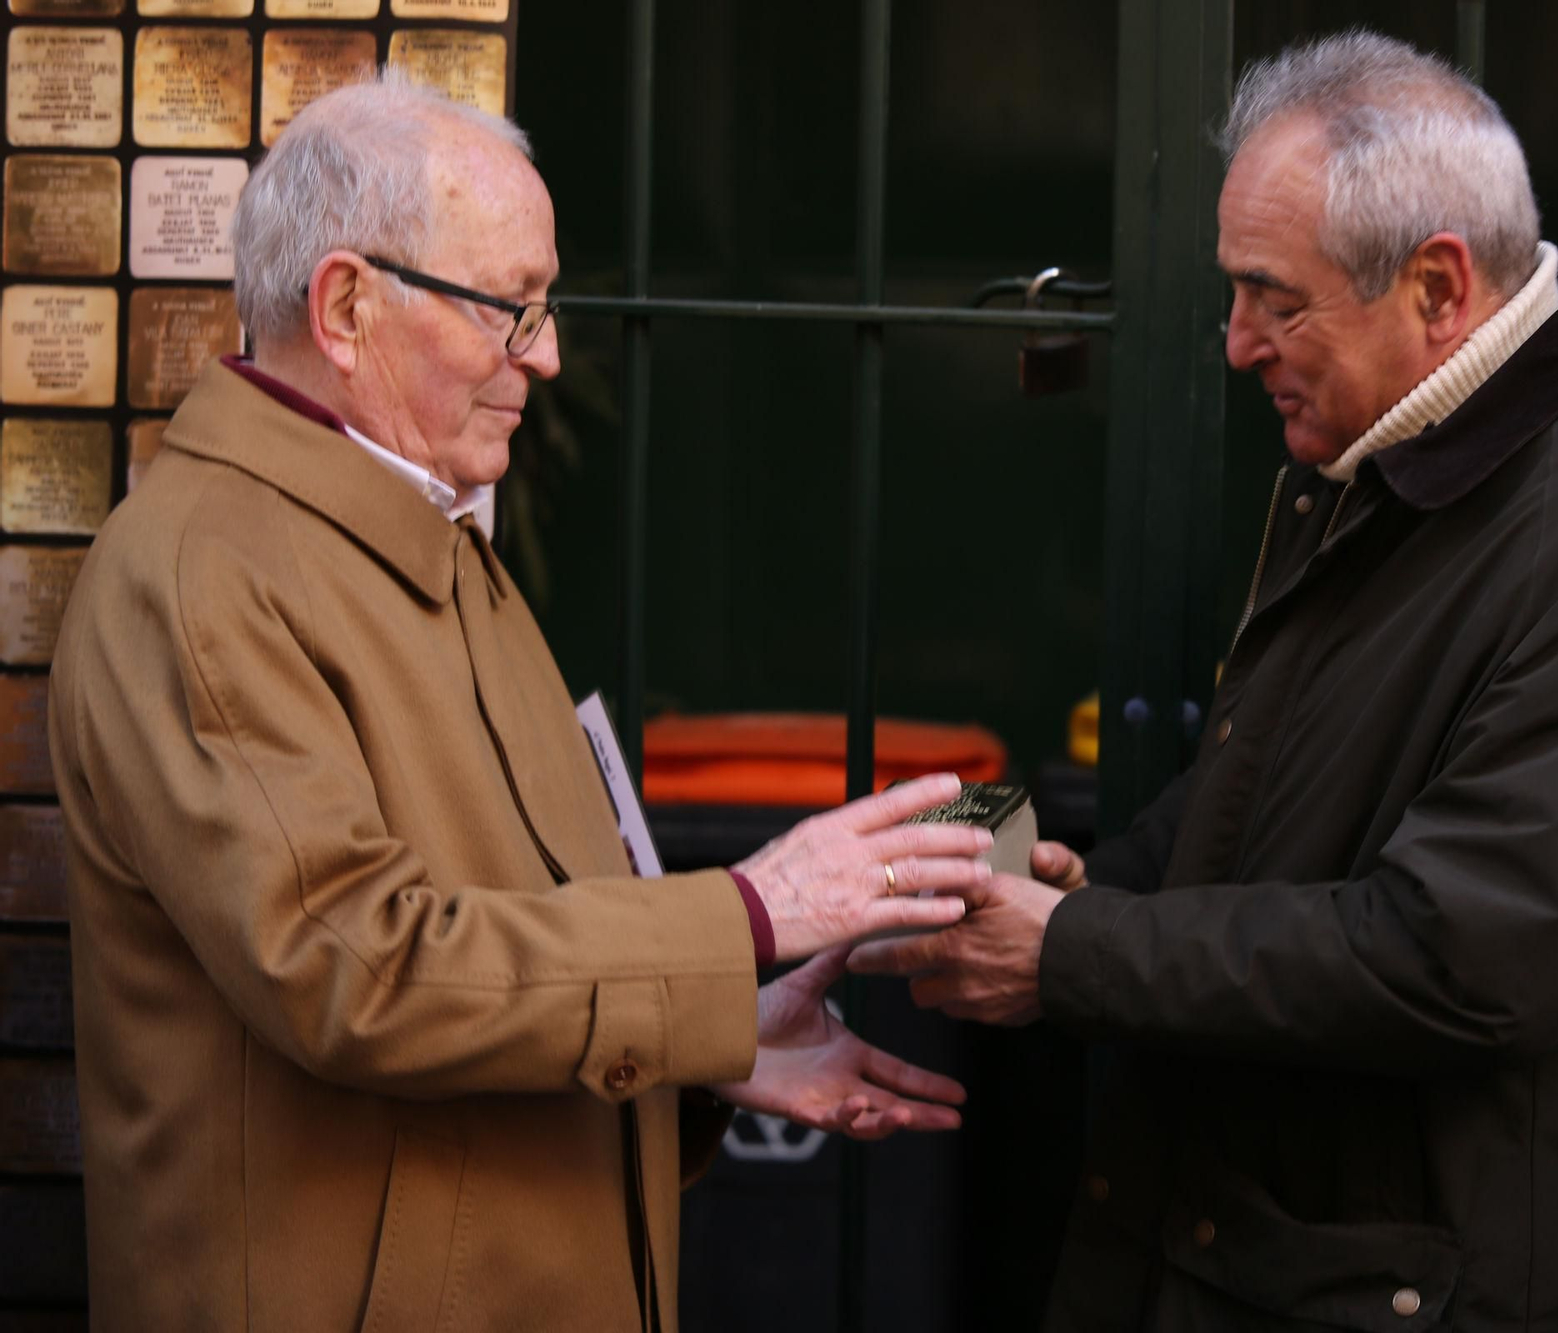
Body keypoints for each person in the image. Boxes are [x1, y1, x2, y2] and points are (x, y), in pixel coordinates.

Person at [853, 30, 1558, 1331]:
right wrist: (1090, 883)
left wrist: (1074, 953)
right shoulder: (1389, 457)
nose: (1236, 345)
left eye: (1276, 300)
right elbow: (1263, 785)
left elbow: (1465, 956)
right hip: (1287, 1258)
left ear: (1439, 289)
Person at [49, 76, 991, 1332]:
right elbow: (361, 971)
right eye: (512, 309)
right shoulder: (205, 573)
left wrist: (717, 1040)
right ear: (346, 307)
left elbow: (510, 955)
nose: (545, 354)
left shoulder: (415, 530)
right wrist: (751, 914)